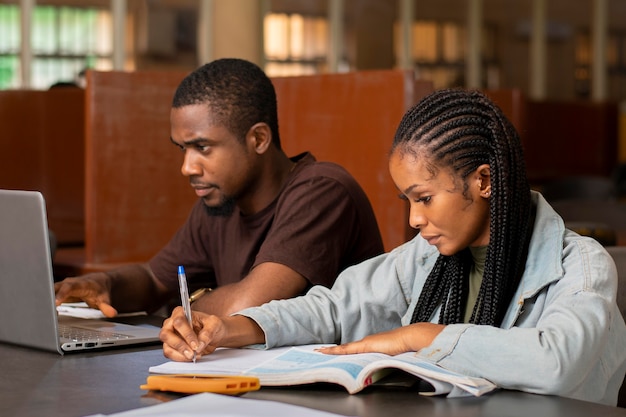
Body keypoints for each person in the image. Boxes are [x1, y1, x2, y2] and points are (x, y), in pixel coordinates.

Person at [161, 88, 626, 406]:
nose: (414, 219)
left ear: (483, 180)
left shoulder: (581, 266)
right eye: (407, 201)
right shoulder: (427, 257)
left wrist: (417, 336)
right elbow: (334, 309)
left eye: (424, 198)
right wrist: (229, 328)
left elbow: (557, 363)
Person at [54, 58, 384, 320]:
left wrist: (185, 308)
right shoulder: (220, 202)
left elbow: (249, 305)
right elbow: (155, 280)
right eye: (183, 148)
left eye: (203, 148)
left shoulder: (323, 191)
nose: (187, 167)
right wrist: (105, 285)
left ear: (258, 139)